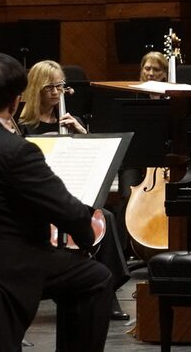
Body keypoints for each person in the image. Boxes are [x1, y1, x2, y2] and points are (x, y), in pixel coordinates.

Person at [0, 53, 112, 351]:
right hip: (4, 267)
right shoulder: (15, 150)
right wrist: (87, 240)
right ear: (14, 102)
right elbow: (68, 211)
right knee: (95, 277)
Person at [17, 60, 130, 319]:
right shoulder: (24, 125)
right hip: (43, 197)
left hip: (73, 190)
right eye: (50, 88)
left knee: (108, 217)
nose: (57, 93)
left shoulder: (70, 120)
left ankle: (109, 292)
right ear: (36, 89)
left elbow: (89, 160)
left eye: (61, 86)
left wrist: (82, 134)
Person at [18, 60, 87, 134]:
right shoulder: (22, 124)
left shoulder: (72, 123)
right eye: (48, 87)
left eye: (58, 85)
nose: (55, 92)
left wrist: (83, 132)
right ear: (36, 89)